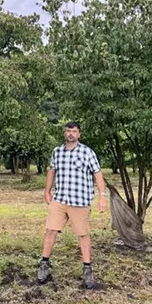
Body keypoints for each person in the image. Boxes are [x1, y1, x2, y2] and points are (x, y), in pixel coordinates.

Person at [37, 121, 108, 289]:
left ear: (79, 134)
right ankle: (44, 266)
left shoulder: (87, 152)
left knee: (83, 234)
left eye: (74, 131)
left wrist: (102, 196)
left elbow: (98, 174)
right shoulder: (57, 152)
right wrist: (47, 191)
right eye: (68, 131)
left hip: (80, 201)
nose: (71, 134)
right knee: (50, 231)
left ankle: (87, 270)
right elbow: (51, 171)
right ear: (64, 133)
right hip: (60, 199)